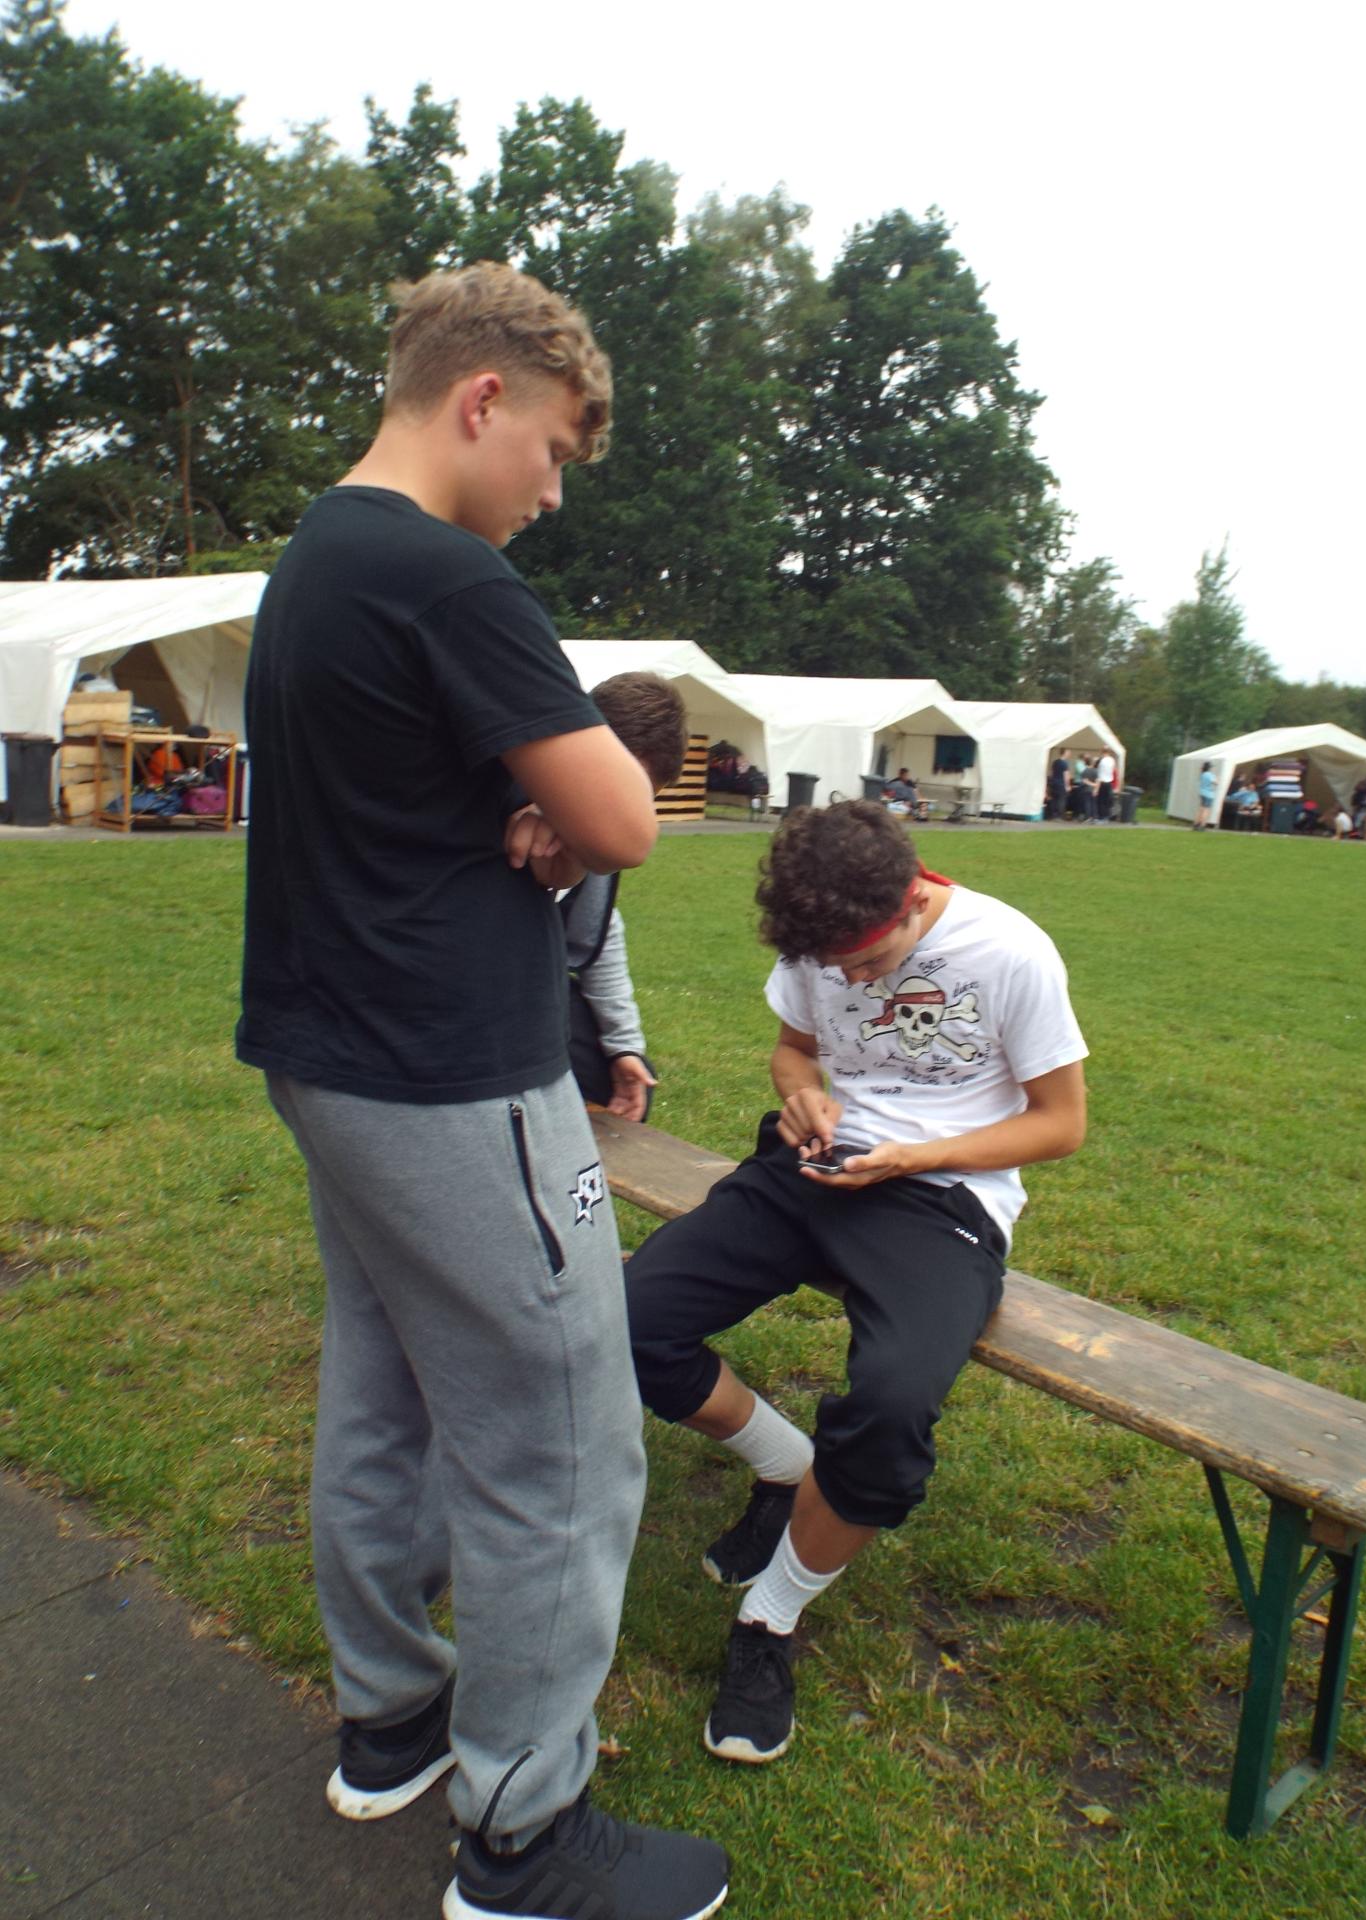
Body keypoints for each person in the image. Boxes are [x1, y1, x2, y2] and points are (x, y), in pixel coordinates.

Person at [237, 263, 728, 1920]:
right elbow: (631, 815)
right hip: (460, 1082)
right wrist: (562, 806)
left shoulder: (317, 558)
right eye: (558, 450)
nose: (555, 489)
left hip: (334, 1060)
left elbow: (435, 794)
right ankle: (524, 1833)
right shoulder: (446, 574)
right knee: (568, 1441)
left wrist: (520, 805)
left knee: (383, 1395)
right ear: (482, 399)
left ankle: (393, 1720)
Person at [625, 801, 1087, 1768]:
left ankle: (770, 1617)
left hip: (940, 1198)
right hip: (814, 1169)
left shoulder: (1011, 951)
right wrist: (803, 1094)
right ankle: (785, 1465)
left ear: (916, 897)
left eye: (870, 964)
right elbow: (796, 1047)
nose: (854, 982)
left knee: (890, 1410)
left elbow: (1060, 1124)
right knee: (625, 1322)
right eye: (836, 970)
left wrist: (919, 1156)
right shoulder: (820, 943)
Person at [561, 671, 687, 1121]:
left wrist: (624, 1046)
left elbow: (597, 930)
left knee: (623, 1080)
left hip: (539, 986)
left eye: (641, 798)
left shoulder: (604, 835)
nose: (625, 812)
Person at [1047, 748, 1070, 821]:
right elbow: (1066, 775)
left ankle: (1053, 815)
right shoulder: (1065, 763)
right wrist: (1067, 786)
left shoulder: (1055, 762)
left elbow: (1051, 773)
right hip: (1061, 784)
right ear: (1064, 753)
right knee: (1061, 800)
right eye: (1068, 753)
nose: (1069, 754)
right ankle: (1059, 816)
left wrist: (1050, 782)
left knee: (1054, 799)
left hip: (1054, 783)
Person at [1094, 748, 1117, 822]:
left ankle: (1101, 817)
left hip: (1102, 782)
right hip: (1109, 782)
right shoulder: (1112, 760)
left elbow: (1099, 775)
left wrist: (1096, 789)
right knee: (1106, 800)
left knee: (1100, 801)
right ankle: (1106, 816)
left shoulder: (1102, 761)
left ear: (1103, 753)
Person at [1194, 760, 1217, 831]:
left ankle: (1196, 824)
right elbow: (1215, 783)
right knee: (1206, 811)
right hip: (1209, 794)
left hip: (1202, 793)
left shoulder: (1202, 774)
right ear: (1209, 768)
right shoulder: (1210, 775)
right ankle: (1202, 825)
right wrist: (1217, 779)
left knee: (1200, 809)